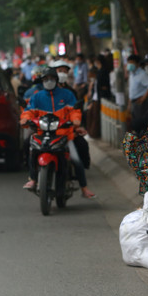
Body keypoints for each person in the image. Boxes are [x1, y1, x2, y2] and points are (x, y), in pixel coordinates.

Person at [22, 68, 95, 199]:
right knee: (32, 150)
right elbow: (29, 111)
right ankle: (33, 178)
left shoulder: (67, 95)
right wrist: (25, 119)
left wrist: (75, 120)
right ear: (42, 81)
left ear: (56, 80)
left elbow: (74, 110)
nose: (48, 81)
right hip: (42, 134)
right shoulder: (37, 97)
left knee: (76, 160)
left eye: (51, 79)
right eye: (45, 79)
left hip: (65, 135)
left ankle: (84, 188)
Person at [126, 53, 148, 124]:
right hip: (133, 102)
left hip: (140, 103)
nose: (129, 65)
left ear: (137, 64)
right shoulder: (132, 74)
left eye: (131, 63)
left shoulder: (142, 74)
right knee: (134, 122)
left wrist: (143, 98)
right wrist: (129, 105)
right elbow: (131, 90)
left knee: (140, 123)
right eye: (128, 63)